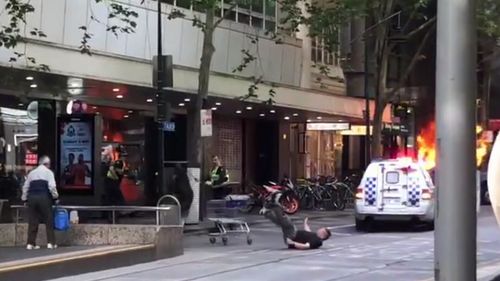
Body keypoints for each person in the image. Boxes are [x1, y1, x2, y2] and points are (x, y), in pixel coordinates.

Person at [260, 188, 331, 250]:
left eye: (322, 229)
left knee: (287, 223)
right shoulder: (314, 236)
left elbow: (306, 246)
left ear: (323, 234)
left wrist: (292, 243)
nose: (320, 229)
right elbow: (308, 231)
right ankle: (267, 213)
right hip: (292, 236)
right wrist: (305, 223)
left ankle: (276, 204)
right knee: (281, 223)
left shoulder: (318, 241)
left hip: (293, 235)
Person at [21, 156, 59, 250]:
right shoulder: (49, 172)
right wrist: (55, 197)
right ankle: (50, 243)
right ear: (46, 164)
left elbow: (25, 187)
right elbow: (52, 187)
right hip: (44, 197)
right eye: (49, 164)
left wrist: (24, 199)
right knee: (48, 220)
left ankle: (30, 243)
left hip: (32, 198)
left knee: (33, 221)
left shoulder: (32, 173)